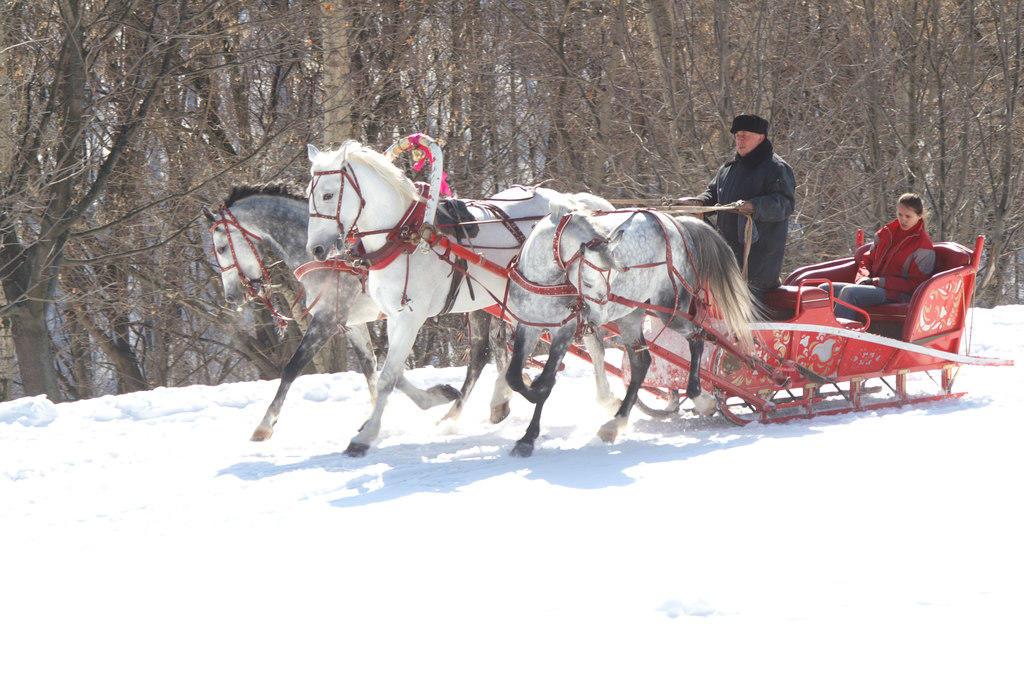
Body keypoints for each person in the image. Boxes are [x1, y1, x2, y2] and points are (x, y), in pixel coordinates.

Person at [679, 114, 796, 299]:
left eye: (745, 135)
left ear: (761, 137)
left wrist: (754, 206)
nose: (740, 139)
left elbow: (785, 203)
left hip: (758, 261)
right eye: (737, 135)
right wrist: (698, 202)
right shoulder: (728, 169)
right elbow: (713, 194)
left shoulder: (776, 168)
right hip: (726, 256)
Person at [826, 193, 935, 321]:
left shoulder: (923, 245)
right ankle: (814, 334)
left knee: (849, 292)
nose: (903, 220)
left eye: (908, 216)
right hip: (873, 285)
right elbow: (867, 260)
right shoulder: (886, 232)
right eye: (900, 214)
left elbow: (917, 284)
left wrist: (880, 282)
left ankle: (837, 337)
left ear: (919, 216)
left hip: (897, 293)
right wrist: (863, 277)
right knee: (824, 290)